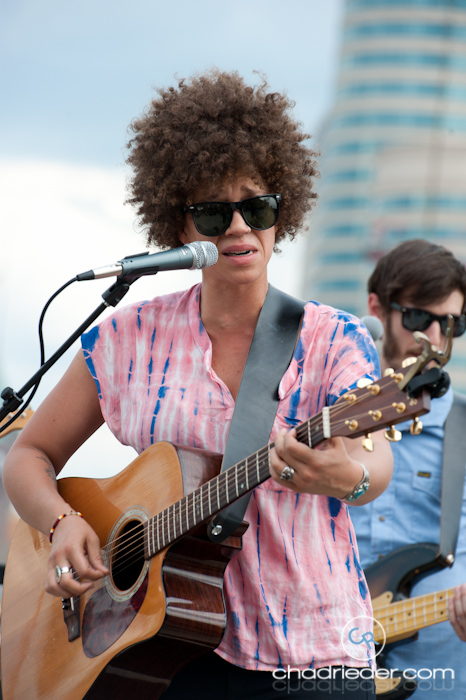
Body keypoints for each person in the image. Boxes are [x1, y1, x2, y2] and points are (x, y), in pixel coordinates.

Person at [2, 70, 393, 699]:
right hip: (162, 651)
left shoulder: (335, 338)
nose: (239, 228)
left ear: (280, 212)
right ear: (180, 229)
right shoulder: (125, 338)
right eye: (214, 212)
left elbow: (373, 469)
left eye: (257, 207)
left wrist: (339, 478)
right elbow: (28, 455)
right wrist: (59, 524)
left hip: (314, 655)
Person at [350, 239, 466, 697]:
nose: (434, 340)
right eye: (418, 318)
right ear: (376, 307)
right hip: (319, 662)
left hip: (441, 674)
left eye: (451, 324)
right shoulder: (323, 416)